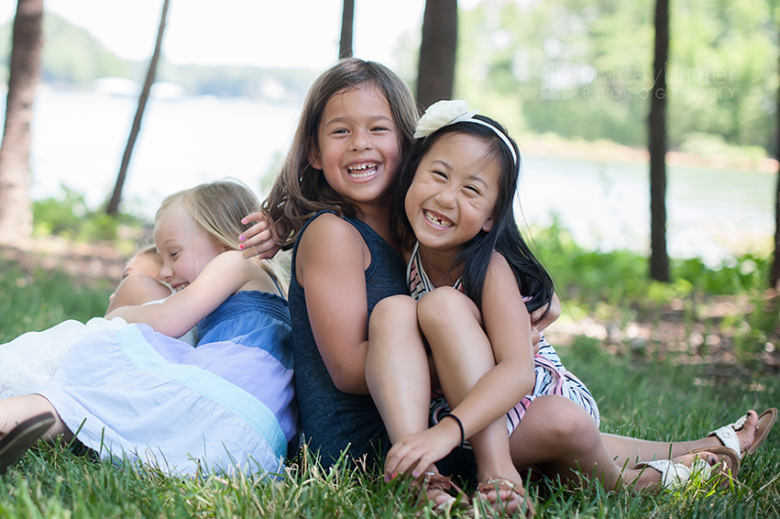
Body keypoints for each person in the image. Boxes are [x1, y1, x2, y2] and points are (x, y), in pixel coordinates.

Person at [364, 100, 774, 513]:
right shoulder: (409, 244)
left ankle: (624, 479)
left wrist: (449, 430)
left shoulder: (488, 267)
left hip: (528, 399)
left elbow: (518, 371)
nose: (446, 198)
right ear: (413, 174)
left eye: (471, 189)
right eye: (438, 174)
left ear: (492, 218)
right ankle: (699, 451)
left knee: (447, 310)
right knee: (395, 309)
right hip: (468, 412)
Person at [0, 180, 297, 477]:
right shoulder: (269, 291)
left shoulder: (236, 260)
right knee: (90, 415)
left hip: (220, 401)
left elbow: (168, 319)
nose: (166, 271)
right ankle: (24, 428)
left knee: (84, 395)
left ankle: (14, 415)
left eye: (175, 253)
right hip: (254, 441)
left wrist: (122, 315)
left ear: (223, 239)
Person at [238, 58, 419, 475]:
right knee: (557, 427)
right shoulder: (332, 234)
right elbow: (352, 372)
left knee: (564, 428)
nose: (360, 143)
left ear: (407, 142)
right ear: (315, 152)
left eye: (378, 128)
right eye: (341, 130)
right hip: (360, 444)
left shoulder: (416, 233)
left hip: (422, 413)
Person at [0, 246, 193, 401]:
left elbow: (98, 331)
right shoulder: (190, 322)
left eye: (127, 277)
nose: (114, 294)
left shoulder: (138, 287)